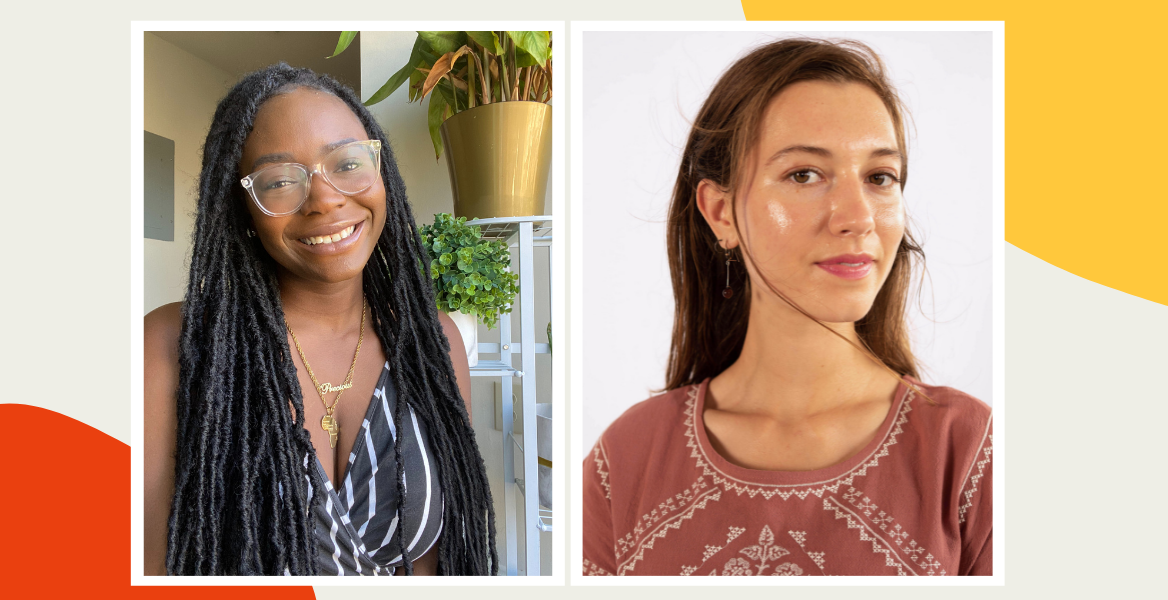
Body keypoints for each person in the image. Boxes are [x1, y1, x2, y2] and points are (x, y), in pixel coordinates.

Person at [582, 39, 992, 577]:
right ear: (721, 212)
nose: (857, 216)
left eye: (879, 178)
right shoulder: (626, 459)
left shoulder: (968, 455)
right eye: (804, 175)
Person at [144, 64, 497, 576]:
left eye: (348, 162)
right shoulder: (171, 346)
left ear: (382, 174)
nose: (326, 199)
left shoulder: (434, 344)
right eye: (282, 180)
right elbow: (149, 565)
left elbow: (435, 566)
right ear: (244, 207)